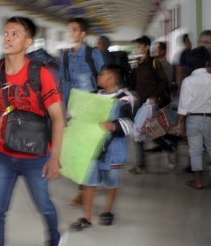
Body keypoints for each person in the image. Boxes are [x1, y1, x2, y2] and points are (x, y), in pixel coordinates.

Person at [0, 16, 65, 246]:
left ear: (27, 42)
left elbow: (58, 118)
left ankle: (54, 238)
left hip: (36, 157)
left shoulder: (40, 74)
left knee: (44, 206)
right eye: (6, 33)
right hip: (3, 153)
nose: (8, 37)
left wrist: (55, 158)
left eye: (15, 34)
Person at [70, 64, 134, 230]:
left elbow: (128, 123)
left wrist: (112, 125)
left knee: (112, 181)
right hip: (92, 148)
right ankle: (87, 217)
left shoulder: (124, 98)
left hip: (113, 150)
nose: (98, 77)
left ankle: (107, 211)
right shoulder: (93, 95)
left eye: (101, 75)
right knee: (89, 182)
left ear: (110, 78)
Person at [60, 18, 106, 206]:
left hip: (92, 108)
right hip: (75, 109)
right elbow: (63, 84)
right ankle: (86, 185)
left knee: (90, 149)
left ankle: (85, 189)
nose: (71, 33)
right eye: (69, 29)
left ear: (83, 33)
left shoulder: (93, 54)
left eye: (74, 29)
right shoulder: (64, 56)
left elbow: (104, 79)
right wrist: (63, 111)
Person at [128, 35, 176, 174]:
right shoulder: (136, 63)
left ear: (146, 47)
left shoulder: (154, 63)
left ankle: (168, 148)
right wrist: (128, 89)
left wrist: (154, 96)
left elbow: (163, 82)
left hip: (151, 103)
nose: (136, 49)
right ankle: (141, 165)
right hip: (139, 102)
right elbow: (133, 81)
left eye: (139, 46)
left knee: (151, 132)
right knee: (137, 133)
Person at [177, 46, 211, 189]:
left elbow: (183, 107)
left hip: (193, 120)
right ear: (207, 62)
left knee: (195, 151)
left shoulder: (188, 81)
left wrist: (180, 124)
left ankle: (198, 182)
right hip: (210, 119)